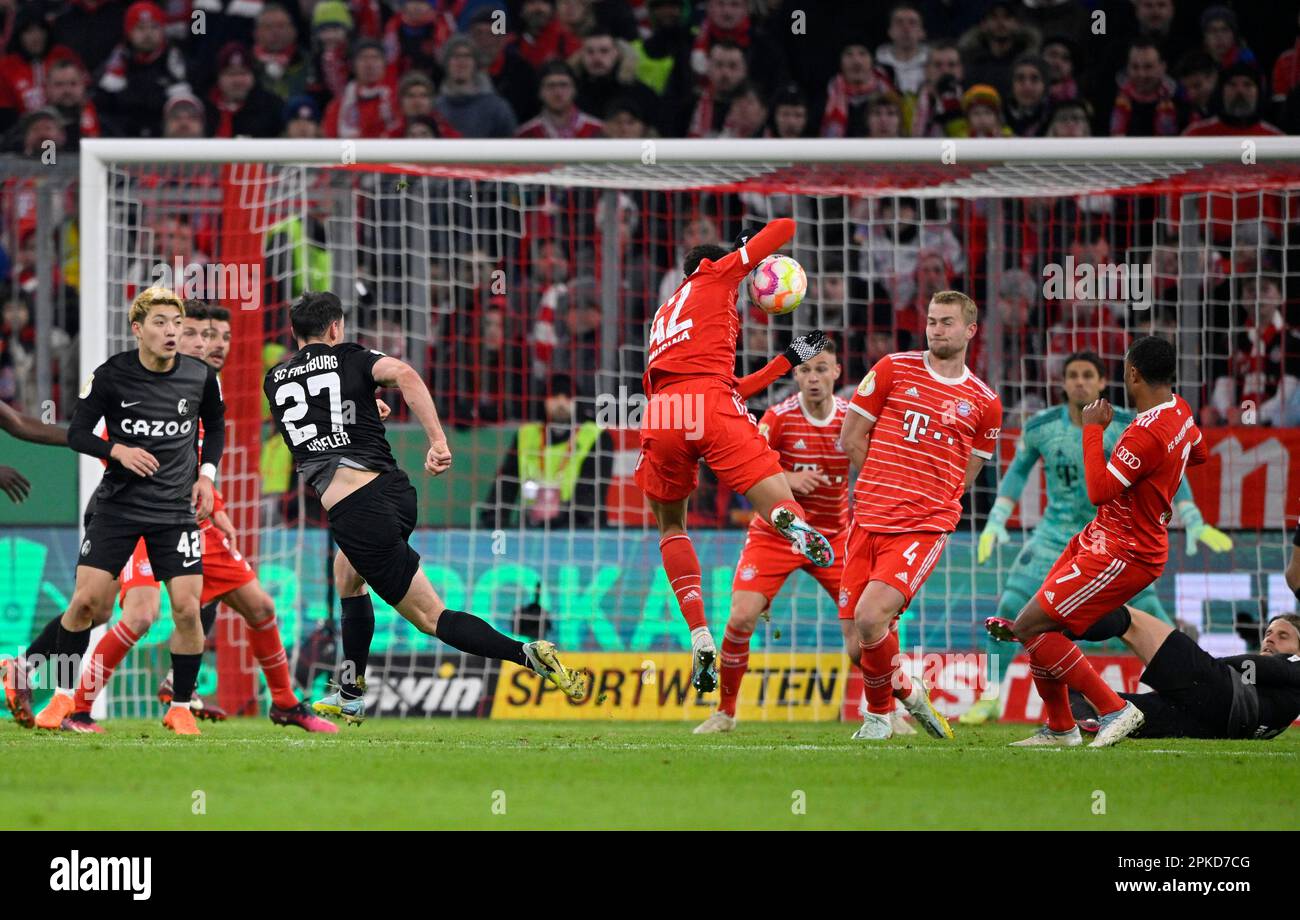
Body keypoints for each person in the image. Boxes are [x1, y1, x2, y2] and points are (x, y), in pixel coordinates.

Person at [264, 292, 585, 724]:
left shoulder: (275, 380)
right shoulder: (351, 358)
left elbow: (312, 425)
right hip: (394, 491)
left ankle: (527, 654)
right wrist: (436, 440)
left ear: (292, 332)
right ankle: (350, 692)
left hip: (358, 512)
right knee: (346, 573)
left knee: (431, 618)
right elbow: (405, 374)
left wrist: (359, 407)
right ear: (335, 329)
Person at [58, 303, 336, 734]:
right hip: (137, 515)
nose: (213, 344)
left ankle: (282, 703)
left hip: (193, 519)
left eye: (220, 337)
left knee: (258, 605)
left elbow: (195, 458)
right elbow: (124, 446)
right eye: (200, 334)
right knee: (132, 613)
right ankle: (74, 706)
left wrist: (216, 503)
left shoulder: (204, 386)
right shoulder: (138, 381)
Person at [963, 351, 1232, 725]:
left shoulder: (1130, 425)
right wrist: (995, 521)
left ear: (1107, 381)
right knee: (1013, 607)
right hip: (1056, 535)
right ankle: (992, 697)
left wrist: (1192, 517)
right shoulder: (1040, 427)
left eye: (1088, 375)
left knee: (1150, 617)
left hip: (1116, 541)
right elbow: (1016, 475)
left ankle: (1194, 692)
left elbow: (1165, 464)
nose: (1079, 382)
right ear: (1062, 383)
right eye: (1072, 374)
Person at [636, 218, 834, 692]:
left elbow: (739, 385)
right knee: (779, 498)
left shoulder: (665, 314)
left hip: (665, 412)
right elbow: (785, 225)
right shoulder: (717, 274)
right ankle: (791, 521)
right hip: (711, 402)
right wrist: (749, 251)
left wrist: (788, 360)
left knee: (672, 527)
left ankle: (700, 632)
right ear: (712, 263)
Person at [31, 288, 223, 737]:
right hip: (118, 509)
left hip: (175, 512)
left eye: (176, 323)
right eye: (160, 323)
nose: (171, 331)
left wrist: (207, 475)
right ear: (138, 329)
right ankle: (62, 698)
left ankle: (180, 706)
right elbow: (77, 433)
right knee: (84, 605)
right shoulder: (110, 376)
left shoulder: (200, 376)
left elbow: (215, 426)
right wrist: (117, 449)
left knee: (188, 610)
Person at [838, 290, 1002, 741]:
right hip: (868, 518)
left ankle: (877, 719)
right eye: (931, 320)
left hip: (923, 526)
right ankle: (909, 694)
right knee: (858, 647)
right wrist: (886, 485)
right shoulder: (892, 368)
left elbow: (964, 477)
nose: (936, 329)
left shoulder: (984, 402)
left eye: (947, 322)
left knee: (872, 618)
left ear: (970, 330)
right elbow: (852, 438)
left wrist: (924, 501)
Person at [696, 338, 879, 734]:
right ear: (795, 375)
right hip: (776, 534)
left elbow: (875, 468)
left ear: (837, 373)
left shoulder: (853, 419)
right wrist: (789, 479)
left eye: (821, 369)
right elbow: (748, 464)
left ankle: (886, 711)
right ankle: (725, 713)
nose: (813, 378)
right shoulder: (777, 418)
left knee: (861, 637)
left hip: (835, 537)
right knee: (742, 616)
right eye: (805, 371)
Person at [996, 607, 1300, 742]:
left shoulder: (1290, 667)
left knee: (1130, 619)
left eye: (1283, 635)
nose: (1270, 639)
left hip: (1221, 693)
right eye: (1268, 632)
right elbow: (1263, 675)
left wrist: (1208, 665)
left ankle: (1045, 628)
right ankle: (1078, 724)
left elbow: (1267, 667)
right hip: (1210, 725)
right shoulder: (1276, 692)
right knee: (1105, 706)